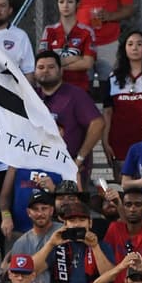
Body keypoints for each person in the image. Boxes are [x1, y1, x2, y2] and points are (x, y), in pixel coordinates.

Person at [34, 50, 106, 183]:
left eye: (51, 67)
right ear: (34, 72)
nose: (45, 71)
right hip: (38, 168)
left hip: (69, 170)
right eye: (40, 67)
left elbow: (98, 123)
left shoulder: (75, 95)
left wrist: (79, 159)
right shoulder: (31, 96)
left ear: (61, 71)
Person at [64, 0, 136, 85]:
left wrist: (110, 16)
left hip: (108, 43)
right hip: (81, 43)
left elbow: (129, 9)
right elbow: (64, 9)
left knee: (112, 85)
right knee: (80, 86)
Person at [102, 31, 142, 173]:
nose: (135, 48)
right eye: (130, 44)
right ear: (124, 48)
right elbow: (107, 113)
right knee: (123, 186)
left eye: (139, 44)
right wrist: (105, 141)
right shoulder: (113, 79)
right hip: (120, 140)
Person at [41, 0, 97, 91]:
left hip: (79, 88)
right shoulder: (49, 31)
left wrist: (58, 65)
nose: (65, 5)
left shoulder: (87, 31)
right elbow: (44, 63)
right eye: (61, 1)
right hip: (54, 88)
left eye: (70, 1)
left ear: (78, 4)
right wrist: (75, 58)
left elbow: (87, 63)